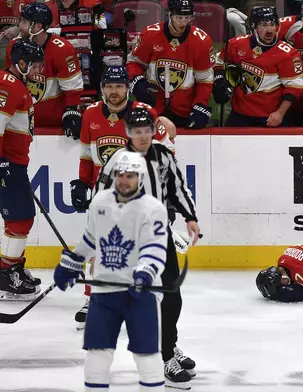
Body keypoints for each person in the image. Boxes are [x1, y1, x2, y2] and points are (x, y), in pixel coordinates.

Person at [94, 107, 199, 390]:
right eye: (137, 131)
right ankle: (163, 359)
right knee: (150, 301)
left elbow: (178, 189)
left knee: (172, 295)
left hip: (161, 234)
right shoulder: (118, 160)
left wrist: (190, 217)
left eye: (146, 131)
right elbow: (100, 197)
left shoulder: (163, 155)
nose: (142, 136)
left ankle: (169, 346)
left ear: (153, 131)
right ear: (128, 133)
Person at [70, 65, 175, 331]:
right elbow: (85, 152)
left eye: (118, 86)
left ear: (127, 88)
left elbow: (166, 155)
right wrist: (83, 181)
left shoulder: (144, 113)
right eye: (109, 86)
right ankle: (94, 299)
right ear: (102, 88)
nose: (114, 92)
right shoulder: (91, 114)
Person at [53, 151, 168, 392]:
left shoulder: (153, 208)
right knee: (96, 356)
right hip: (104, 292)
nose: (124, 180)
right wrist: (71, 263)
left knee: (147, 356)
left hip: (141, 293)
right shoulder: (100, 202)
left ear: (141, 178)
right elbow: (90, 240)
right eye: (120, 174)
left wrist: (145, 272)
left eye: (131, 176)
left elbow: (155, 247)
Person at [0, 39, 44, 301]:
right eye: (35, 64)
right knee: (20, 219)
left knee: (20, 217)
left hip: (14, 163)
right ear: (20, 63)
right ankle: (7, 273)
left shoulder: (16, 84)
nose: (39, 69)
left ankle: (12, 267)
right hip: (8, 164)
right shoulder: (8, 84)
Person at [212, 6, 303, 127]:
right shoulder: (236, 44)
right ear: (254, 27)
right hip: (240, 114)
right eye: (263, 25)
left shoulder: (288, 53)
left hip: (270, 116)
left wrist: (280, 113)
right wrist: (219, 78)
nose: (269, 30)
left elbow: (296, 87)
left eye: (272, 24)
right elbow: (218, 61)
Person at [126, 0, 214, 129]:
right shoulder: (150, 34)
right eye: (179, 17)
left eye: (187, 17)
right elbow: (133, 63)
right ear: (169, 15)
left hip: (184, 109)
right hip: (152, 104)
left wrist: (200, 105)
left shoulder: (201, 41)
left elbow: (205, 79)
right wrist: (138, 83)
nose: (183, 22)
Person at [4, 3, 83, 138]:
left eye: (24, 22)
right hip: (22, 123)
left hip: (54, 126)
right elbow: (11, 83)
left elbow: (72, 89)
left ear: (38, 27)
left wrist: (71, 110)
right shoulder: (13, 46)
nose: (20, 26)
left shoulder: (62, 50)